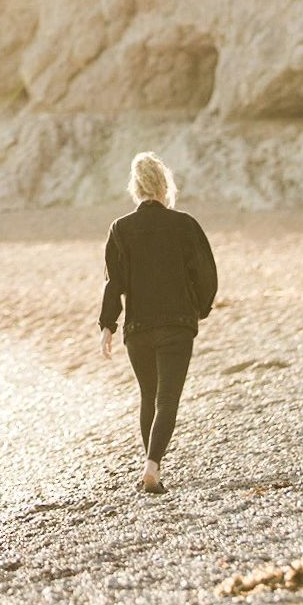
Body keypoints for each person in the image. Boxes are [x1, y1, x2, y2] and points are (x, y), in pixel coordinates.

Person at [98, 151, 218, 495]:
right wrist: (199, 309)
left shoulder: (120, 229)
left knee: (148, 396)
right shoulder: (185, 225)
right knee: (167, 399)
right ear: (165, 186)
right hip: (177, 325)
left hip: (138, 329)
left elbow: (113, 282)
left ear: (135, 188)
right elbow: (206, 274)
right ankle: (152, 466)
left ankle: (151, 465)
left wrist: (107, 325)